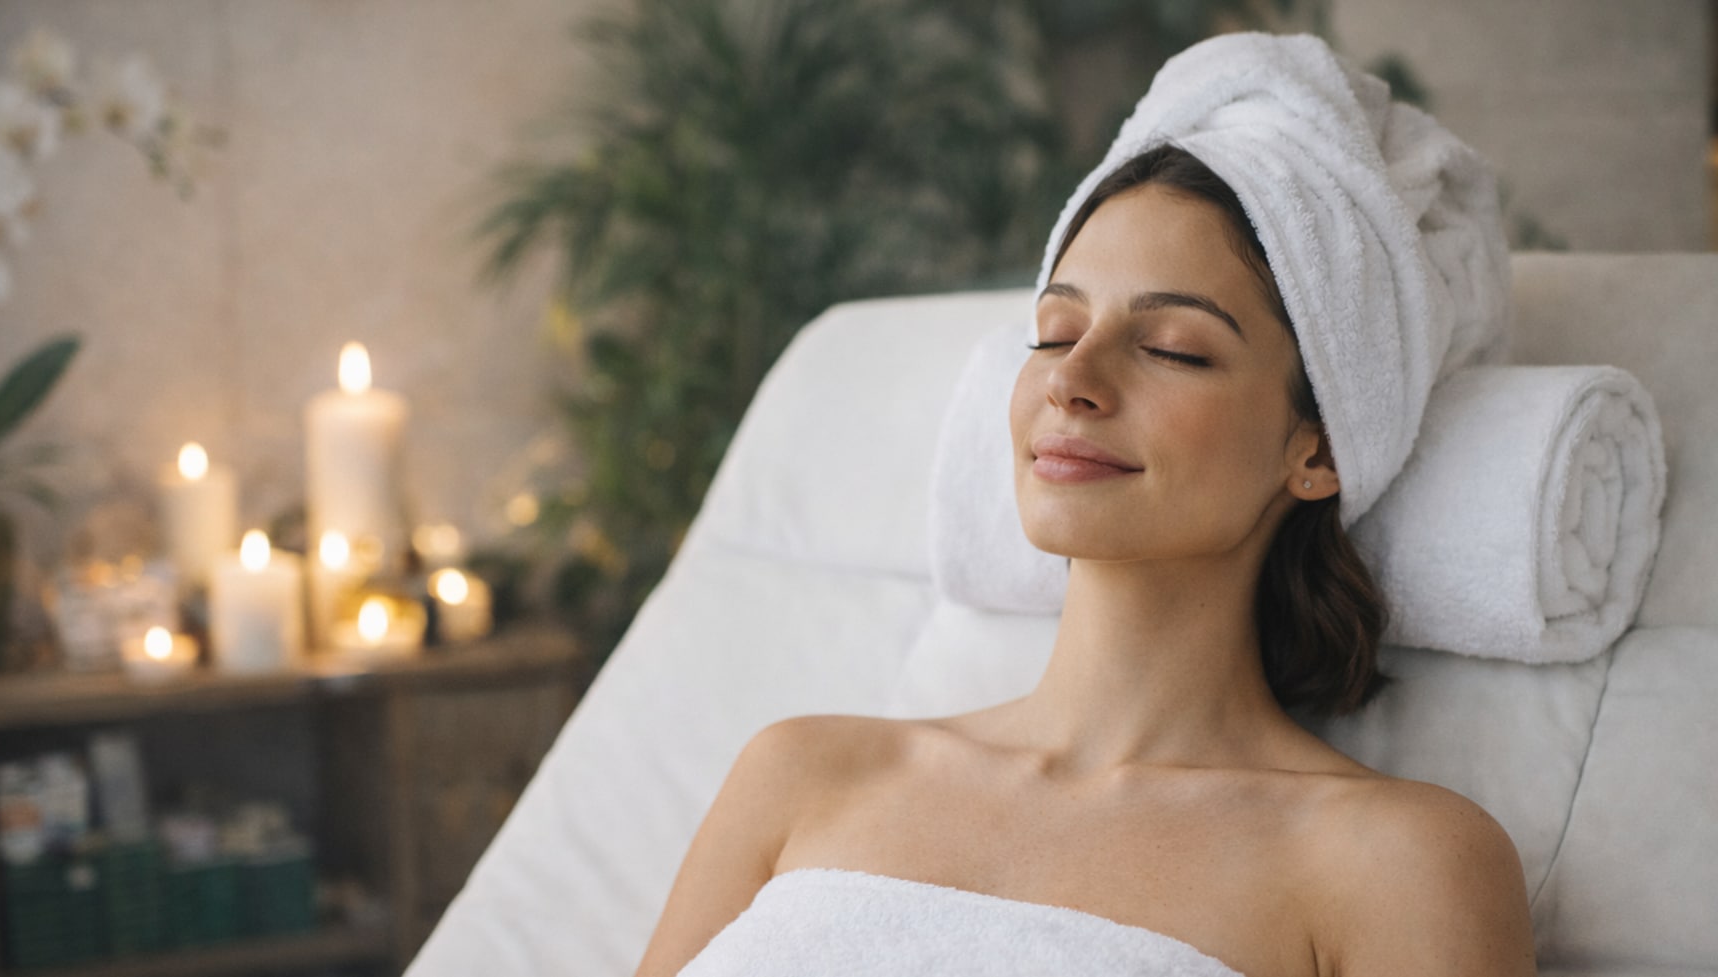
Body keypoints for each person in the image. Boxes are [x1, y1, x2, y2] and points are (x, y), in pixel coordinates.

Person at [633, 32, 1537, 977]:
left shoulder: (1395, 862)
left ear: (1318, 448)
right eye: (1055, 332)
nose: (1072, 380)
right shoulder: (803, 774)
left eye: (1173, 348)